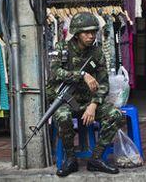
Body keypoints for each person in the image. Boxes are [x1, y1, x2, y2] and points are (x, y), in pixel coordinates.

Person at [47, 12, 123, 176]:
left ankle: (96, 159)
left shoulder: (97, 52)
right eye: (86, 32)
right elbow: (54, 73)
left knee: (115, 115)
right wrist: (81, 75)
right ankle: (70, 159)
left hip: (88, 102)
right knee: (62, 116)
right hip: (66, 102)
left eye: (93, 32)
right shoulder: (61, 48)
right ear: (76, 33)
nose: (91, 36)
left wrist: (93, 105)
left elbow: (103, 84)